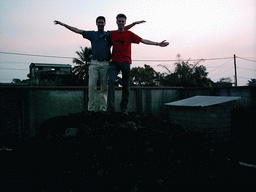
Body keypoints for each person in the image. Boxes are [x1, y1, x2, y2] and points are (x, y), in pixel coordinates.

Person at [54, 17, 145, 112]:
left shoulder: (109, 33)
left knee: (104, 87)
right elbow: (77, 30)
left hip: (105, 64)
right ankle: (91, 109)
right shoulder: (92, 34)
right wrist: (64, 25)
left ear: (105, 23)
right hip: (94, 63)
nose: (101, 24)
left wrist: (134, 23)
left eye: (102, 22)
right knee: (92, 85)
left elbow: (122, 28)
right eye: (99, 22)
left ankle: (103, 108)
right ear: (96, 23)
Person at [107, 14, 169, 114]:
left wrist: (157, 43)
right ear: (116, 22)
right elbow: (106, 45)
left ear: (125, 22)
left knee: (126, 85)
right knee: (110, 80)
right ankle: (110, 108)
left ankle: (124, 109)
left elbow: (143, 40)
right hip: (114, 62)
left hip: (125, 62)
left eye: (123, 21)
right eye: (119, 21)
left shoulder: (129, 34)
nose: (121, 23)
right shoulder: (112, 34)